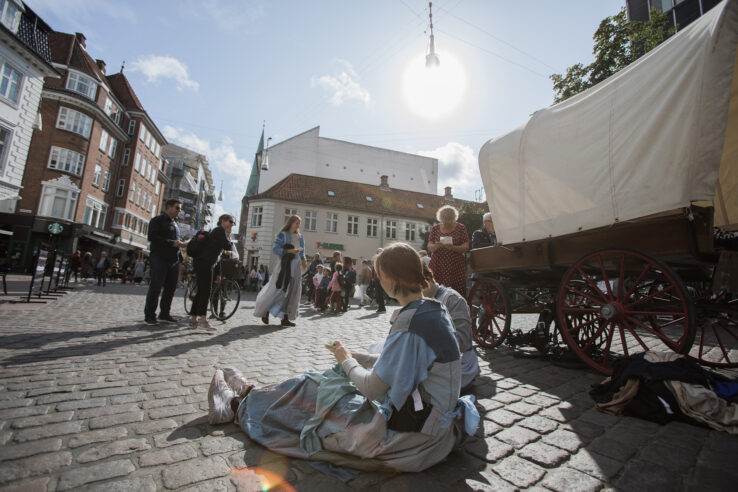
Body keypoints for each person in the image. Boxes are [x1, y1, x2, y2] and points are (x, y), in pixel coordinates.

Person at [206, 242, 479, 472]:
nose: (377, 280)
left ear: (392, 279)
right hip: (432, 423)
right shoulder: (432, 309)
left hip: (414, 435)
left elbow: (373, 386)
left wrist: (345, 360)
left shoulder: (410, 321)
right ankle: (249, 394)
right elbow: (399, 364)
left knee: (313, 391)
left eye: (379, 274)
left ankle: (237, 404)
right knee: (319, 383)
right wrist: (353, 355)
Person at [422, 262, 480, 391]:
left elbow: (461, 342)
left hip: (457, 366)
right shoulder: (421, 300)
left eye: (417, 290)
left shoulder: (452, 300)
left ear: (429, 281)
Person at [254, 215, 307, 327]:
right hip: (284, 266)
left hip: (295, 266)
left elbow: (302, 252)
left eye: (299, 223)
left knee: (292, 291)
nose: (298, 225)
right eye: (296, 222)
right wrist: (289, 251)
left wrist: (303, 259)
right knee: (278, 290)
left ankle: (285, 317)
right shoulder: (282, 235)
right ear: (291, 223)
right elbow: (275, 249)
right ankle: (266, 311)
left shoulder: (300, 237)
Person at [189, 214, 235, 330]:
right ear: (223, 221)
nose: (232, 225)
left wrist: (218, 273)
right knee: (206, 291)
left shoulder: (218, 232)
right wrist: (230, 243)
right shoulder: (219, 231)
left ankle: (194, 319)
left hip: (204, 263)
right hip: (205, 263)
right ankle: (203, 320)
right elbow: (227, 246)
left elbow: (217, 256)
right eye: (231, 222)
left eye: (233, 223)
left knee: (201, 291)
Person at [144, 199, 185, 325]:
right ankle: (150, 315)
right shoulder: (157, 220)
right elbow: (152, 237)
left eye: (180, 208)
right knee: (156, 286)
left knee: (170, 289)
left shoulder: (176, 224)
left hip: (174, 260)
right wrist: (171, 242)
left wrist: (180, 252)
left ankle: (165, 313)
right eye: (177, 208)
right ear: (168, 207)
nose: (179, 211)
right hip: (160, 257)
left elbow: (176, 241)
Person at [427, 205, 470, 298]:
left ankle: (456, 309)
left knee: (456, 291)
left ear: (453, 217)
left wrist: (453, 247)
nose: (446, 221)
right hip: (437, 265)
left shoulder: (461, 227)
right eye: (444, 218)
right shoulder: (435, 228)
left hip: (455, 267)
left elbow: (466, 246)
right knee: (435, 290)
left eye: (448, 218)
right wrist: (437, 246)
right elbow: (429, 246)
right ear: (440, 217)